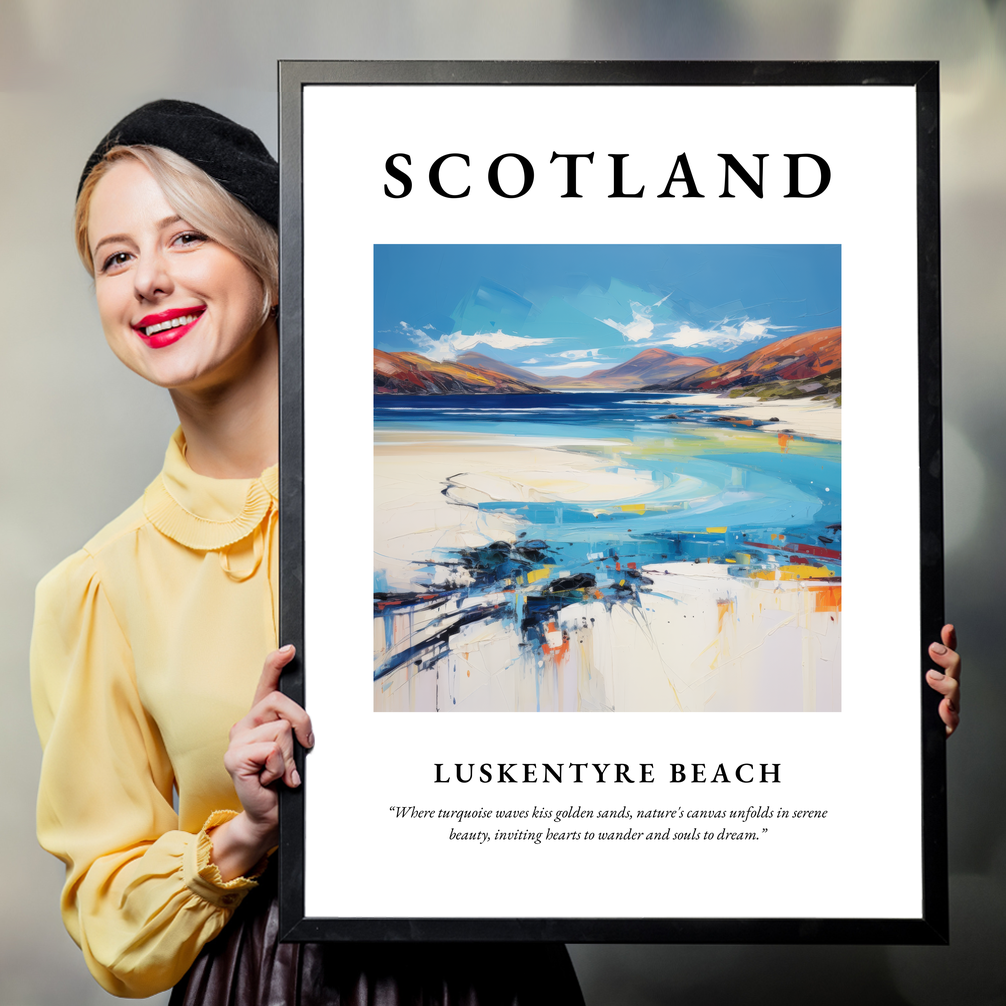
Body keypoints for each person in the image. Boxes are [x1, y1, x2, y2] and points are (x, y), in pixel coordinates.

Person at [30, 100, 586, 1004]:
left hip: (492, 972)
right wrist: (245, 832)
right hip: (262, 982)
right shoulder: (97, 587)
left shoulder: (459, 498)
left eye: (185, 238)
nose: (148, 281)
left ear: (273, 263)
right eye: (116, 257)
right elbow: (110, 923)